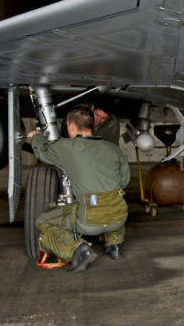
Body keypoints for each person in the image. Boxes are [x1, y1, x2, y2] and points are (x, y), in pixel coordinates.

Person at [29, 106, 130, 272]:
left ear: (72, 126)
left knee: (43, 221)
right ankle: (115, 246)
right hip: (119, 218)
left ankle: (78, 249)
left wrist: (36, 137)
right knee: (113, 199)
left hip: (90, 221)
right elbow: (124, 181)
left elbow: (42, 153)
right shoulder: (114, 149)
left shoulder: (66, 147)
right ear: (93, 126)